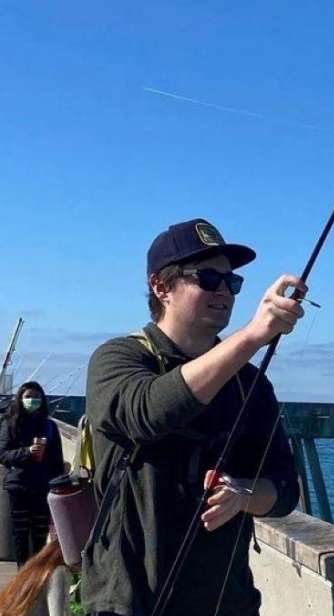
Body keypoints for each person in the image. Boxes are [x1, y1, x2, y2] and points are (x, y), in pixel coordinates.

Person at [81, 218, 303, 616]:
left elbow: (285, 490)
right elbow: (147, 412)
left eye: (231, 282)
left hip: (227, 602)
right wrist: (253, 335)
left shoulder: (250, 384)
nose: (224, 291)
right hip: (128, 601)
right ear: (161, 287)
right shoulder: (118, 359)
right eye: (207, 278)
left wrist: (243, 496)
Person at [0, 382, 64, 568]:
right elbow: (1, 455)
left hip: (42, 486)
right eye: (28, 397)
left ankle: (38, 573)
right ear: (20, 399)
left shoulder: (50, 426)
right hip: (19, 486)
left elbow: (57, 460)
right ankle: (22, 572)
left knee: (40, 533)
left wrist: (58, 485)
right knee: (21, 533)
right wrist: (26, 452)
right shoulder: (10, 423)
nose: (32, 400)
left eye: (37, 397)